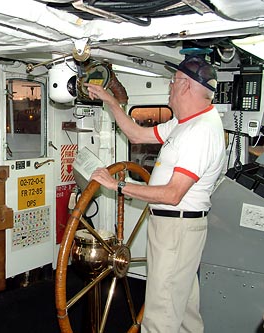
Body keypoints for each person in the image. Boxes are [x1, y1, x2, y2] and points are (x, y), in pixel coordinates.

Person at [84, 55, 225, 333]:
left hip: (177, 229)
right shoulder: (184, 123)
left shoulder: (201, 132)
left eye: (173, 82)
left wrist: (118, 186)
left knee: (160, 315)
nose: (170, 87)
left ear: (185, 86)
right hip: (176, 228)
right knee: (183, 309)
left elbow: (173, 194)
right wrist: (111, 101)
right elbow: (136, 134)